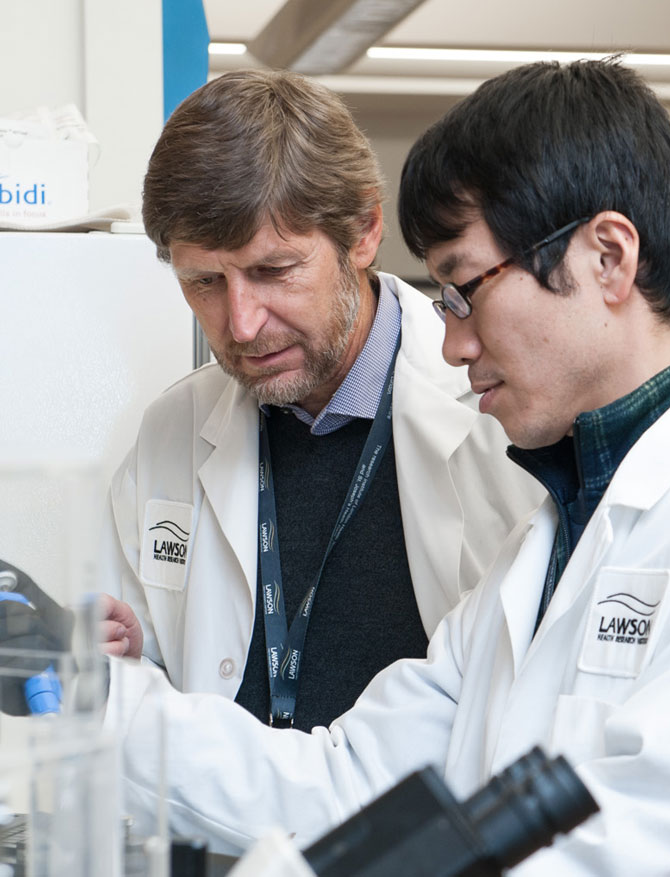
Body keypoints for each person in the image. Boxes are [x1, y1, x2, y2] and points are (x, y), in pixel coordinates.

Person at [82, 58, 670, 872]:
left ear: (608, 257)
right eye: (205, 282)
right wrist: (89, 691)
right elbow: (349, 784)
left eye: (463, 291)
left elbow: (631, 850)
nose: (453, 343)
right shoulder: (548, 543)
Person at [96, 69, 540, 732]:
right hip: (228, 837)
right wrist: (120, 660)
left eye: (273, 271)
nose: (241, 323)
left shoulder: (504, 422)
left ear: (363, 230)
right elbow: (144, 695)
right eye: (205, 282)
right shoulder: (172, 434)